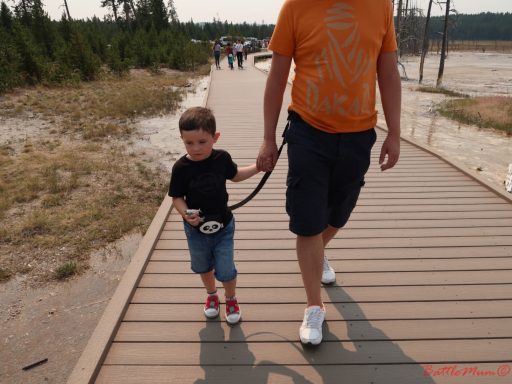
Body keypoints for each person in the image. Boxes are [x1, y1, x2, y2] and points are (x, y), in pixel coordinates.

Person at [257, 0, 401, 345]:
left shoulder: (380, 6)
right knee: (307, 220)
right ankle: (314, 306)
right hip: (308, 131)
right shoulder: (295, 7)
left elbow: (388, 72)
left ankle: (317, 254)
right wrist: (267, 139)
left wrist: (394, 132)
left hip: (359, 134)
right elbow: (277, 77)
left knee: (339, 213)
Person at [169, 107, 260, 325]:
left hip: (224, 226)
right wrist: (185, 214)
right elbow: (176, 197)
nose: (195, 148)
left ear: (215, 137)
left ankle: (230, 298)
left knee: (226, 267)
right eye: (188, 143)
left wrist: (259, 167)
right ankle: (211, 295)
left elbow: (236, 175)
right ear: (181, 139)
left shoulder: (222, 158)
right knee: (203, 265)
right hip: (195, 230)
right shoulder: (181, 167)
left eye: (202, 142)